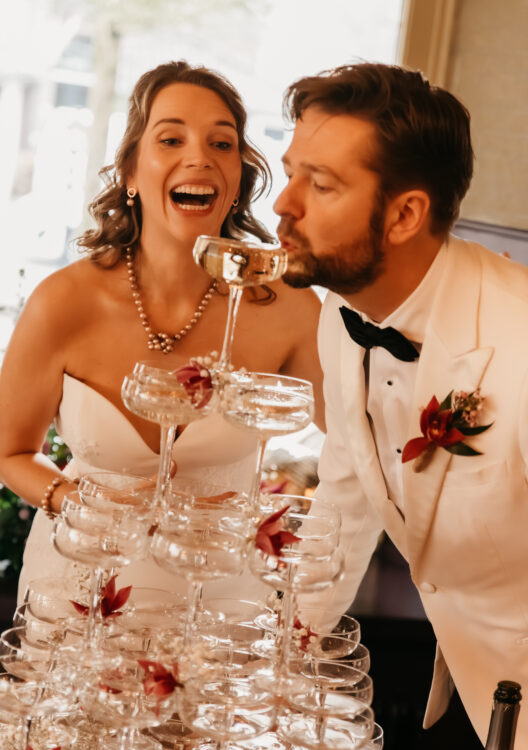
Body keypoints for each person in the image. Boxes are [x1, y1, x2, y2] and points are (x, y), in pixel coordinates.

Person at [273, 62, 528, 750]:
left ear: (404, 215)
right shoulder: (342, 311)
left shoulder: (524, 346)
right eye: (291, 174)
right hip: (470, 680)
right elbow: (347, 486)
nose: (283, 205)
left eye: (321, 185)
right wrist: (287, 650)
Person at [0, 60, 323, 607]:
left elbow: (360, 447)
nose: (199, 157)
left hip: (221, 605)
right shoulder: (62, 301)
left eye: (222, 144)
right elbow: (11, 452)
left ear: (238, 178)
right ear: (130, 171)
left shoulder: (288, 306)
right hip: (80, 588)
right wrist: (75, 500)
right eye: (171, 139)